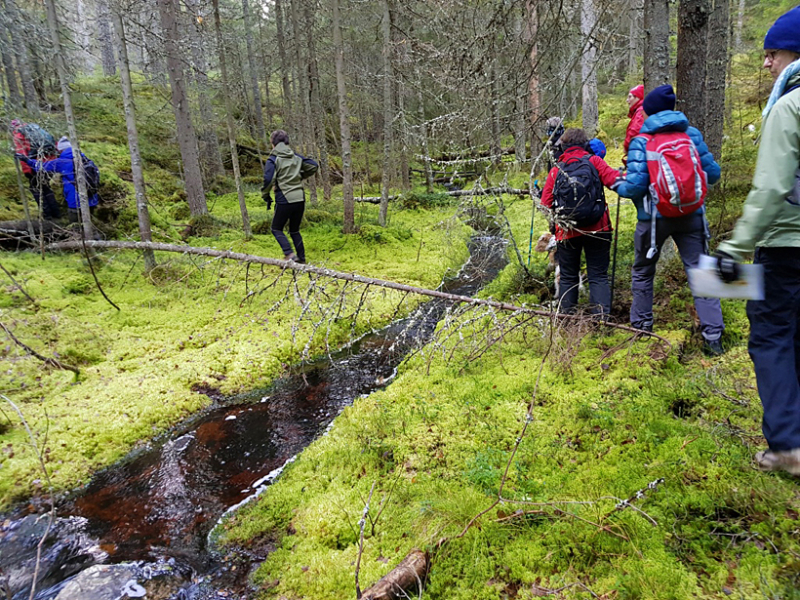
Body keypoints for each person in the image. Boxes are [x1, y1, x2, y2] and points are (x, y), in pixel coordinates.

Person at [714, 6, 800, 474]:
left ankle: (788, 446)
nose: (766, 64)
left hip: (785, 245)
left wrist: (734, 246)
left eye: (772, 53)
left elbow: (770, 188)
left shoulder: (789, 105)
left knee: (771, 337)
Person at [615, 84, 724, 355]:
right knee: (702, 274)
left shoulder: (642, 141)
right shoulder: (692, 135)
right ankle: (714, 338)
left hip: (653, 221)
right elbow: (713, 174)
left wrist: (616, 182)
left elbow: (634, 188)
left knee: (642, 271)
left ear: (648, 111)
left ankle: (641, 329)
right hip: (692, 216)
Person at [540, 128, 622, 315]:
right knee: (598, 276)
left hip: (566, 232)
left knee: (568, 278)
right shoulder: (595, 162)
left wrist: (554, 224)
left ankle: (566, 323)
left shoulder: (556, 170)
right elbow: (616, 182)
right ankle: (600, 322)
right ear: (585, 144)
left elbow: (545, 203)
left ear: (563, 146)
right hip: (599, 228)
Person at [262, 130, 318, 263]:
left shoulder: (273, 159)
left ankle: (290, 254)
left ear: (273, 144)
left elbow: (268, 179)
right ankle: (302, 259)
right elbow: (314, 165)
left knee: (276, 228)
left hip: (284, 197)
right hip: (300, 198)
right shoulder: (296, 157)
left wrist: (265, 194)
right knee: (294, 230)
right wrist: (299, 176)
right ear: (287, 143)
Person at [16, 136, 99, 224]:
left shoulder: (62, 162)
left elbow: (41, 167)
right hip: (92, 201)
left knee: (76, 227)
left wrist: (26, 160)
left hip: (75, 202)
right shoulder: (86, 159)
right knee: (89, 225)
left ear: (61, 150)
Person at [10, 119, 61, 220]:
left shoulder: (19, 135)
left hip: (35, 164)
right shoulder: (36, 129)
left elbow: (22, 155)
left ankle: (47, 215)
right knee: (46, 187)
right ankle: (56, 213)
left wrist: (27, 171)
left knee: (36, 188)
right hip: (49, 161)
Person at [623, 84, 645, 166]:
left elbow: (635, 131)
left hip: (638, 155)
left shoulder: (641, 112)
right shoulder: (640, 111)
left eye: (630, 97)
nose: (627, 100)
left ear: (638, 97)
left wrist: (626, 146)